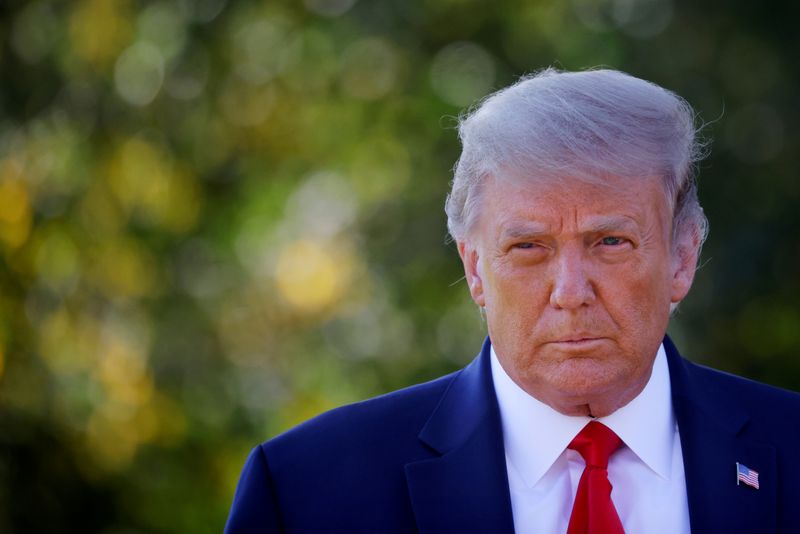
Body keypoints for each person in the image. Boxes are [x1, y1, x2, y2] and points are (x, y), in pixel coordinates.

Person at [224, 68, 800, 533]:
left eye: (610, 242)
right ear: (475, 267)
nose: (570, 292)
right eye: (528, 247)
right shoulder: (305, 490)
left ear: (682, 257)